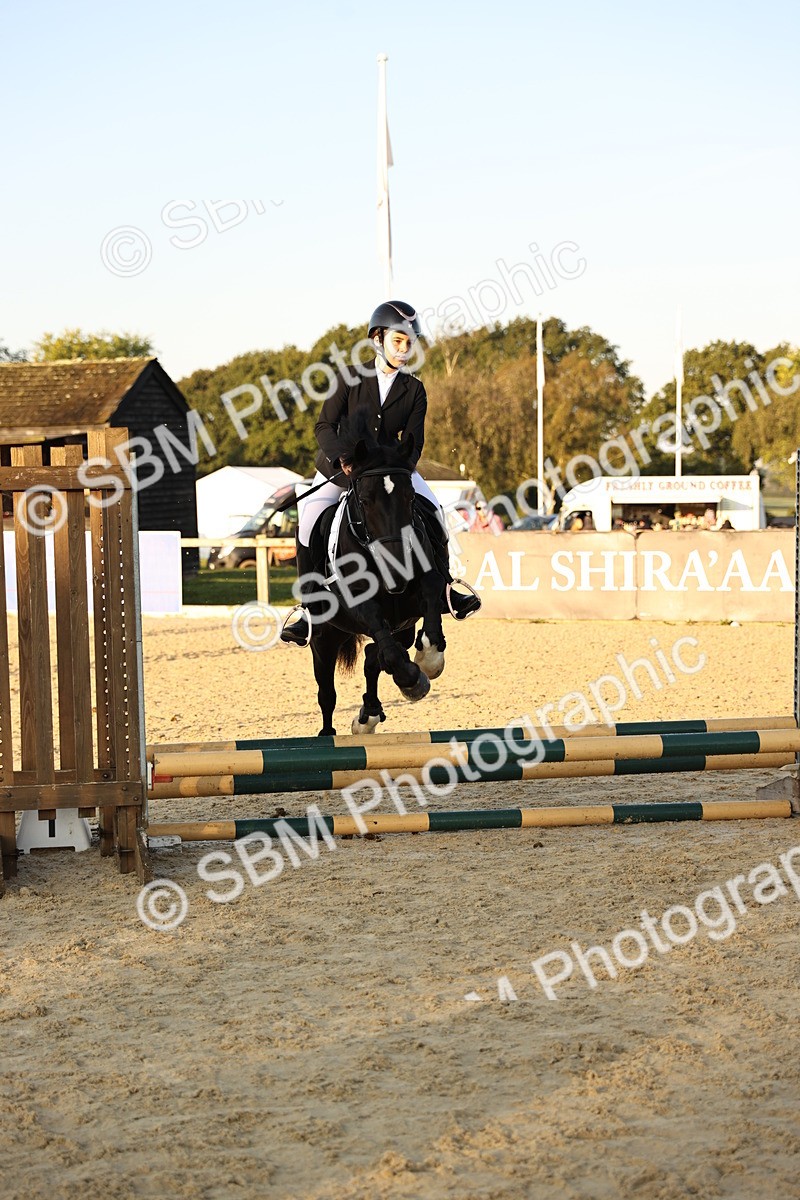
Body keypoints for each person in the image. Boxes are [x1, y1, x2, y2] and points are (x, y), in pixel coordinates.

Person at [281, 300, 481, 645]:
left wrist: (403, 468)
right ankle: (309, 610)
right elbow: (324, 426)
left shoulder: (414, 390)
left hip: (391, 472)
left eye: (409, 343)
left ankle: (446, 589)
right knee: (311, 517)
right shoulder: (349, 378)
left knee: (434, 511)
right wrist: (342, 458)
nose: (404, 350)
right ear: (378, 339)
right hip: (340, 468)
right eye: (397, 341)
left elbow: (414, 442)